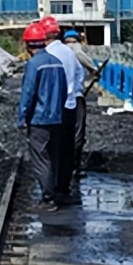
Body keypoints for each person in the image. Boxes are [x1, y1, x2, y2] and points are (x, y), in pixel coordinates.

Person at [18, 21, 68, 212]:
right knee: (53, 157)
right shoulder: (57, 62)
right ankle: (54, 192)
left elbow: (28, 92)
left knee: (40, 159)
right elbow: (64, 91)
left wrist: (22, 117)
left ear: (28, 44)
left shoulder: (34, 64)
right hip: (57, 117)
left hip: (39, 119)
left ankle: (48, 198)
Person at [40, 17, 83, 203]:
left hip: (53, 107)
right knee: (67, 148)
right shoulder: (69, 52)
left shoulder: (47, 54)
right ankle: (63, 187)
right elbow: (80, 74)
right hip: (70, 105)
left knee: (51, 149)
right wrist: (73, 91)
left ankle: (51, 188)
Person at [64, 29, 98, 177]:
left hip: (60, 98)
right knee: (77, 133)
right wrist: (93, 69)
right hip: (75, 97)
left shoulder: (59, 53)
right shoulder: (75, 50)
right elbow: (80, 55)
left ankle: (62, 165)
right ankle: (74, 166)